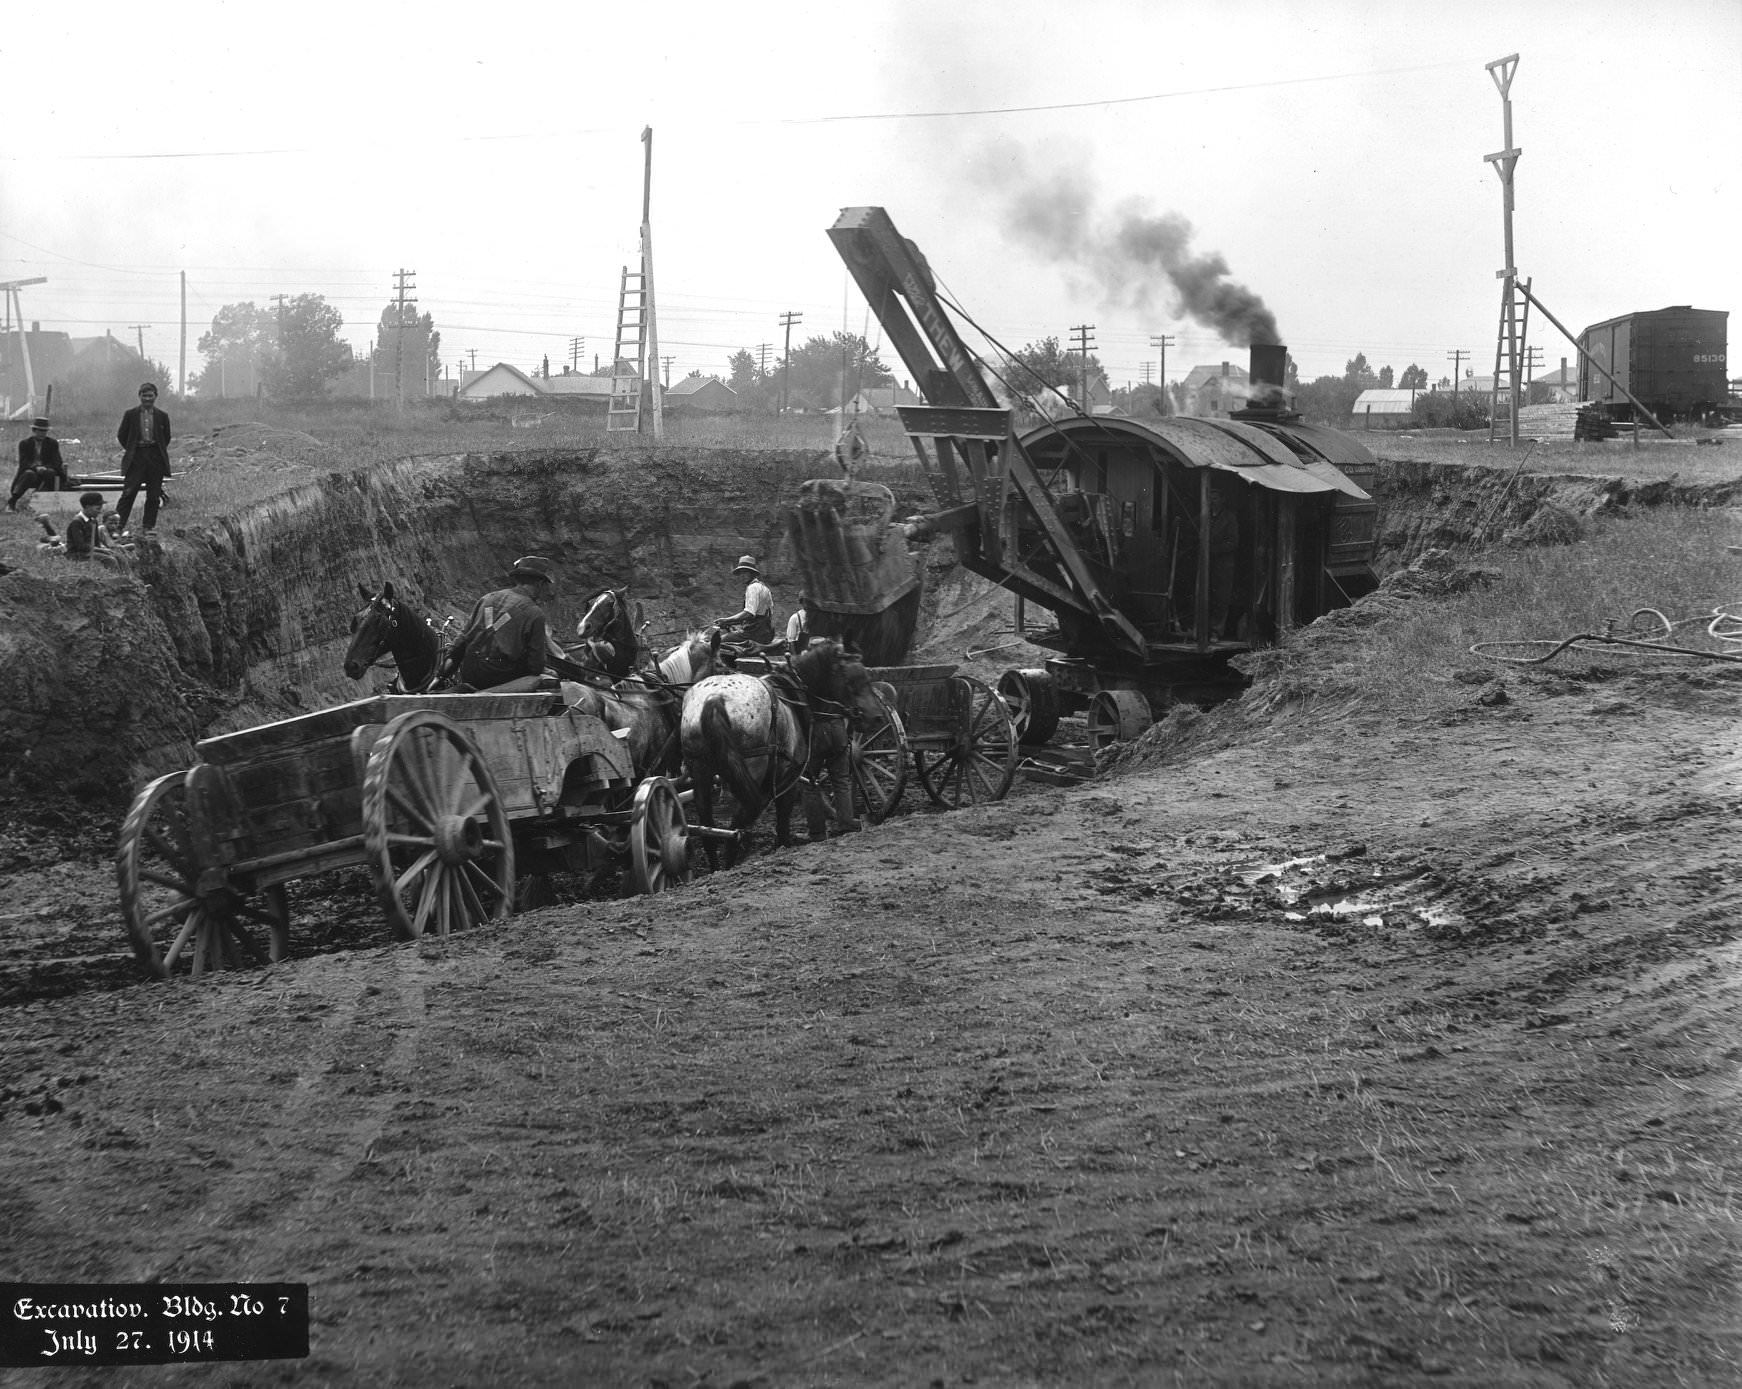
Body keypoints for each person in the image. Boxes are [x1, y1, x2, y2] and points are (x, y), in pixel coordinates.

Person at [440, 555, 558, 691]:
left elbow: (461, 641)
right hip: (499, 676)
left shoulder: (486, 599)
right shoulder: (535, 613)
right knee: (550, 677)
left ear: (517, 579)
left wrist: (441, 675)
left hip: (470, 672)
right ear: (539, 584)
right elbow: (535, 666)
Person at [115, 382, 172, 537]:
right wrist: (133, 449)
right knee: (128, 493)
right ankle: (117, 526)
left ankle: (148, 527)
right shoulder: (130, 414)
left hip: (155, 458)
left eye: (150, 396)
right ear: (139, 396)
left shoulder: (162, 416)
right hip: (136, 458)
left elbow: (166, 438)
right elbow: (122, 435)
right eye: (144, 395)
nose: (147, 399)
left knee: (153, 496)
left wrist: (154, 451)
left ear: (155, 397)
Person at [8, 417, 69, 509]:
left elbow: (57, 461)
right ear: (34, 430)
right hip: (31, 471)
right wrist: (36, 467)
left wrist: (44, 467)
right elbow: (24, 462)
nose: (42, 433)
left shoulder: (52, 443)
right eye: (40, 431)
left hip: (47, 471)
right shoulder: (25, 443)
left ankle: (45, 500)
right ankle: (13, 501)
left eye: (44, 431)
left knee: (50, 473)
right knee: (29, 474)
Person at [1206, 487, 1241, 640]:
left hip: (1223, 564)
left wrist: (1213, 549)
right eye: (1210, 498)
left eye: (1214, 498)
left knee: (1221, 598)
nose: (1211, 501)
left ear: (1222, 500)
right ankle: (1201, 629)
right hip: (1206, 563)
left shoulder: (1229, 518)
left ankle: (1216, 631)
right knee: (1204, 595)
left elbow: (1233, 542)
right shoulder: (1204, 516)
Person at [718, 555, 774, 646]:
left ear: (752, 573)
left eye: (745, 572)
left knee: (720, 641)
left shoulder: (752, 588)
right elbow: (756, 616)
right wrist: (729, 622)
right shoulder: (764, 588)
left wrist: (726, 620)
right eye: (740, 573)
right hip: (766, 634)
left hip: (754, 634)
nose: (742, 576)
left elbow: (749, 613)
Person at [64, 492, 119, 565]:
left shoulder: (93, 521)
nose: (100, 511)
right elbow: (81, 546)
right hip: (78, 554)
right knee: (110, 560)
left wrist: (103, 549)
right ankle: (115, 576)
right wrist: (100, 550)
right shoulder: (77, 523)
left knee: (118, 556)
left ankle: (127, 575)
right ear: (87, 507)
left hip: (91, 551)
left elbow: (96, 542)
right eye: (98, 508)